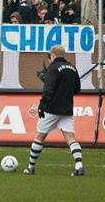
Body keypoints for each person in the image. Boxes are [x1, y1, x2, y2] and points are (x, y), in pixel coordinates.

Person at [24, 45, 83, 176]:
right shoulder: (72, 68)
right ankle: (79, 167)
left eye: (50, 57)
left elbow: (48, 90)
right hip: (67, 108)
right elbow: (77, 89)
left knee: (40, 136)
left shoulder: (53, 68)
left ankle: (30, 167)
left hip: (52, 108)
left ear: (53, 55)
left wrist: (42, 106)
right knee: (71, 138)